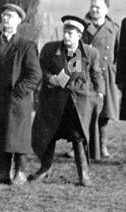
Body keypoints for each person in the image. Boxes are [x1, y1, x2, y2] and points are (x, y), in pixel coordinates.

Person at [29, 16, 106, 186]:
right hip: (53, 102)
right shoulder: (50, 49)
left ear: (79, 35)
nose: (67, 36)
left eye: (71, 33)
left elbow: (96, 75)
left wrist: (99, 94)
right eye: (65, 32)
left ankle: (83, 174)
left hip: (76, 104)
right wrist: (50, 79)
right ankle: (45, 169)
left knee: (78, 137)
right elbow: (40, 69)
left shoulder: (89, 53)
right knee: (48, 135)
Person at [0, 3, 41, 184]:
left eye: (11, 16)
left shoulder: (26, 46)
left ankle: (20, 172)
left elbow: (35, 74)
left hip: (17, 100)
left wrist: (19, 91)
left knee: (18, 136)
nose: (6, 19)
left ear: (19, 21)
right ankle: (3, 171)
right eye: (4, 15)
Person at [81, 0, 119, 160]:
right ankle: (81, 145)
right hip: (86, 74)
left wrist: (115, 71)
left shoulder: (114, 29)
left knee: (104, 113)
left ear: (106, 10)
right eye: (92, 6)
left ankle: (102, 145)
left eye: (98, 7)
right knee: (84, 111)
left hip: (106, 74)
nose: (94, 10)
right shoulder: (81, 26)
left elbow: (119, 53)